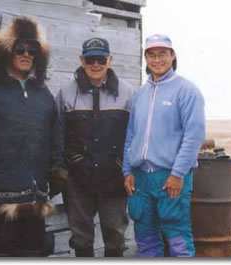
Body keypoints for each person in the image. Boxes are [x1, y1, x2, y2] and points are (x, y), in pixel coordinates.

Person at [0, 16, 66, 257]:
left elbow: (55, 134)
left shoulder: (43, 92)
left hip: (36, 195)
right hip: (0, 195)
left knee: (35, 252)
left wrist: (57, 170)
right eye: (20, 48)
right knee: (3, 254)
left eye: (33, 49)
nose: (27, 54)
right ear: (7, 51)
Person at [123, 34, 205, 257]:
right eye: (151, 54)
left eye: (162, 54)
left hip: (170, 177)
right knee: (146, 239)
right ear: (145, 58)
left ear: (172, 55)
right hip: (141, 179)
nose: (156, 59)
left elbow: (194, 135)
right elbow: (131, 135)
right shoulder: (140, 94)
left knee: (177, 237)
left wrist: (178, 173)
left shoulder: (187, 91)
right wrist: (127, 170)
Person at [56, 37, 135, 257]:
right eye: (90, 59)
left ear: (110, 60)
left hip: (114, 178)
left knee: (116, 237)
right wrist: (65, 168)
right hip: (78, 180)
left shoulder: (128, 94)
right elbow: (56, 134)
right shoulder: (65, 94)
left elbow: (135, 136)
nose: (96, 64)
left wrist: (125, 166)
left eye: (101, 59)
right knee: (81, 239)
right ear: (82, 61)